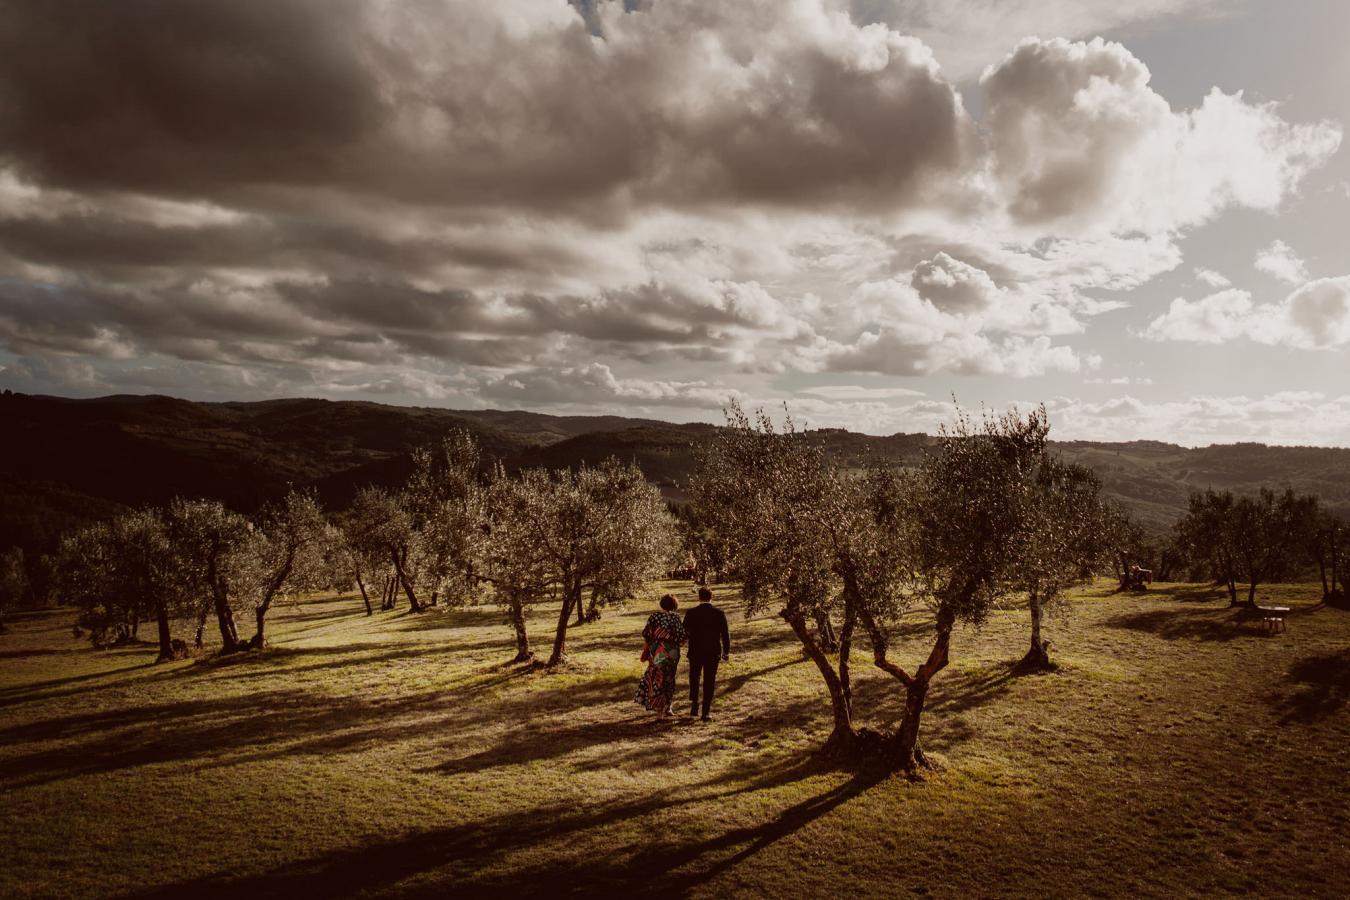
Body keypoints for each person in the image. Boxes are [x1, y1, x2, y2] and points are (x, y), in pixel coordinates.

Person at [683, 586, 730, 722]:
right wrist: (726, 651)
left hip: (695, 651)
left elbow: (684, 631)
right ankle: (706, 712)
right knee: (709, 680)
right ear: (711, 597)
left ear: (699, 597)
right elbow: (725, 634)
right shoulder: (719, 613)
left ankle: (694, 705)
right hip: (712, 651)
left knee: (694, 677)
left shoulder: (691, 612)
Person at [635, 594, 686, 717]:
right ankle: (668, 707)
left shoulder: (654, 617)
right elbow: (682, 638)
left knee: (658, 678)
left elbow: (647, 635)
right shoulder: (675, 617)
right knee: (669, 678)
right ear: (675, 605)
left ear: (661, 604)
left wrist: (649, 649)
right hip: (672, 652)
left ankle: (659, 710)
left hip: (657, 651)